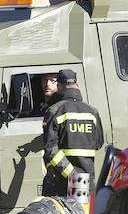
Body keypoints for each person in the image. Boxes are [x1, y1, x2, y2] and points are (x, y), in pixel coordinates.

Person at [41, 69, 104, 197]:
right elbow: (98, 143)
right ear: (77, 86)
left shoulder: (54, 111)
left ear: (59, 86)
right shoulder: (92, 112)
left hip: (61, 181)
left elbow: (50, 150)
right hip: (85, 179)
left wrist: (72, 175)